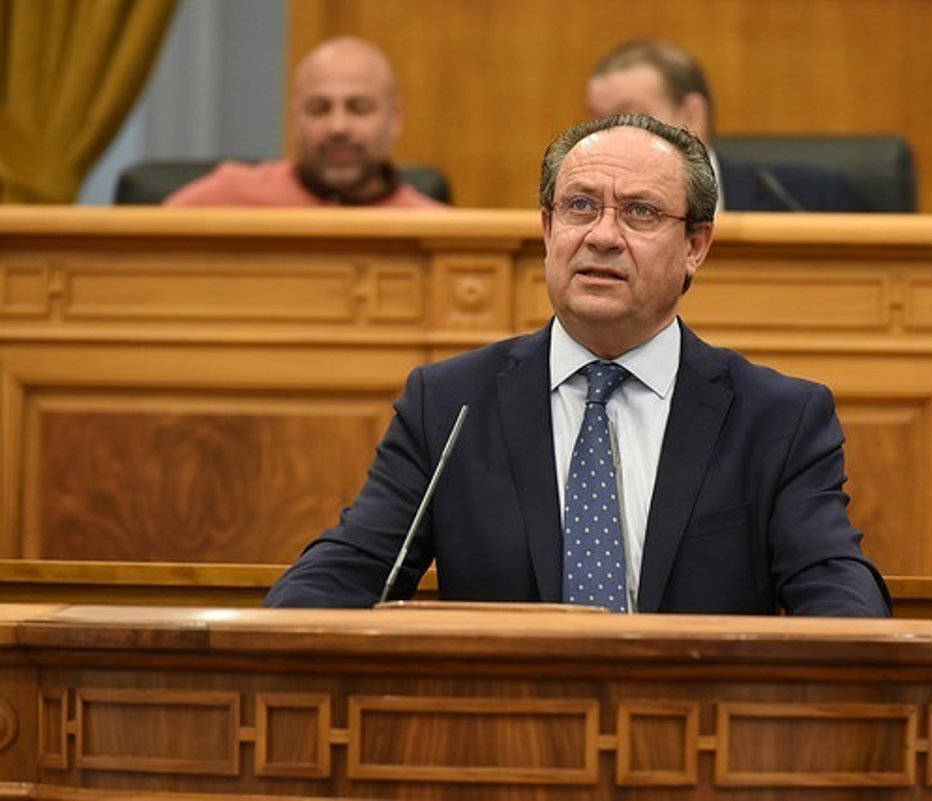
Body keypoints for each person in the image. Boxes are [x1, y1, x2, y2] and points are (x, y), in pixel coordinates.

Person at [265, 113, 890, 616]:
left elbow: (839, 594)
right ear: (548, 229)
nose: (603, 236)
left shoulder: (776, 418)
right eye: (580, 206)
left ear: (695, 246)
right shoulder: (450, 403)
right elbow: (344, 573)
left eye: (641, 212)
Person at [165, 37, 444, 208]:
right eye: (319, 109)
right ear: (295, 118)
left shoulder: (431, 227)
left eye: (358, 108)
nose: (338, 127)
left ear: (395, 118)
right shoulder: (226, 198)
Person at [587, 39, 859, 213]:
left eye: (630, 118)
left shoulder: (807, 199)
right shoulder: (589, 219)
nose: (611, 136)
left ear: (692, 116)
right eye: (599, 123)